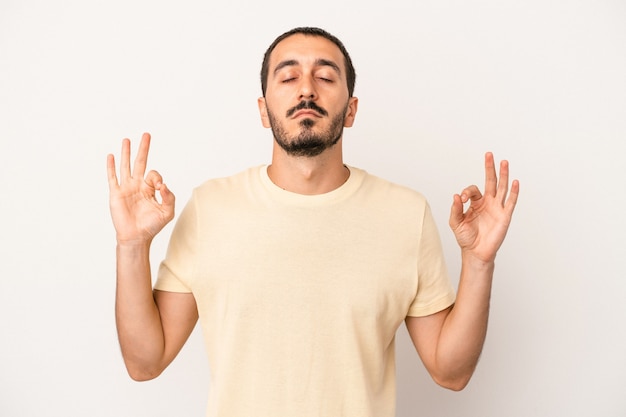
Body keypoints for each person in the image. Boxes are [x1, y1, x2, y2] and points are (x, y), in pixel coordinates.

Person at [107, 27, 519, 417]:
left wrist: (479, 262)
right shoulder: (209, 208)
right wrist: (131, 245)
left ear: (351, 109)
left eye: (324, 76)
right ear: (263, 111)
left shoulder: (405, 213)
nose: (306, 88)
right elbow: (145, 362)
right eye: (288, 78)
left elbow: (451, 372)